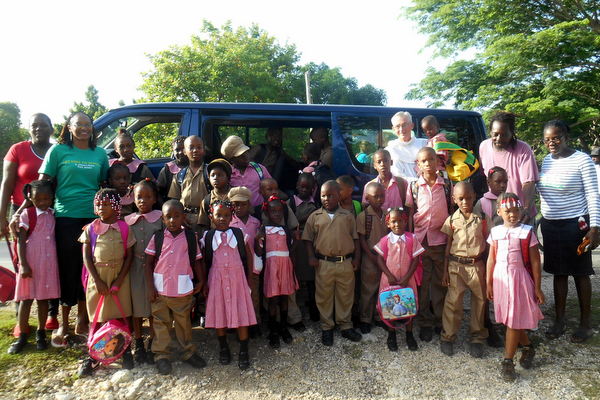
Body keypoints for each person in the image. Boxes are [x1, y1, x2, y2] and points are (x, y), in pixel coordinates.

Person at [21, 112, 109, 347]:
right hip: (65, 218)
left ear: (92, 128)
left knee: (87, 271)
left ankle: (82, 321)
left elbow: (103, 185)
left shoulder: (100, 154)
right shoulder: (58, 151)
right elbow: (41, 184)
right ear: (69, 128)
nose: (83, 128)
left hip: (91, 220)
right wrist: (22, 211)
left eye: (87, 125)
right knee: (67, 270)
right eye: (78, 124)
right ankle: (63, 323)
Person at [538, 120, 600, 343]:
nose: (551, 143)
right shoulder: (546, 161)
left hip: (576, 225)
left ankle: (585, 324)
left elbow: (593, 194)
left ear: (566, 137)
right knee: (558, 272)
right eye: (547, 139)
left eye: (556, 138)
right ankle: (560, 320)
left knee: (581, 273)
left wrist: (595, 228)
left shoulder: (582, 160)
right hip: (551, 225)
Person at [0, 113, 58, 331]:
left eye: (43, 125)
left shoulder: (56, 150)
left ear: (51, 128)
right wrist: (2, 216)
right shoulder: (17, 149)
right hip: (21, 212)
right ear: (29, 128)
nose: (38, 129)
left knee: (52, 261)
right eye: (34, 125)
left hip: (50, 212)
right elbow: (6, 183)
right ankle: (20, 318)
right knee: (21, 263)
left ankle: (52, 314)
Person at [486, 192, 544, 382]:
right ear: (499, 211)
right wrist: (488, 282)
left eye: (516, 210)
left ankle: (507, 361)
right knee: (509, 319)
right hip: (501, 279)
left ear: (521, 210)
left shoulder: (527, 232)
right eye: (508, 211)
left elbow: (535, 262)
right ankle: (528, 347)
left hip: (519, 280)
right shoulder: (495, 232)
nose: (512, 214)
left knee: (512, 321)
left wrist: (537, 287)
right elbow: (491, 258)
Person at [145, 200, 206, 375]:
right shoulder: (157, 238)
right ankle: (161, 356)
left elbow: (197, 261)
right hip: (160, 290)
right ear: (163, 219)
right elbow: (148, 263)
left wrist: (201, 281)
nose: (172, 220)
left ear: (183, 217)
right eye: (168, 217)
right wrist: (150, 287)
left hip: (182, 291)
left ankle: (187, 353)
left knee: (183, 323)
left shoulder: (190, 237)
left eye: (176, 216)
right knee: (161, 323)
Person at [78, 189, 136, 376]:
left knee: (121, 316)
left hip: (120, 278)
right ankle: (94, 356)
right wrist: (98, 281)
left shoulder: (125, 228)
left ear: (116, 206)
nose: (101, 208)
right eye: (99, 204)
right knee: (98, 318)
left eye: (106, 204)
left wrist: (119, 281)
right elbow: (86, 257)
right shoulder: (90, 229)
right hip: (98, 279)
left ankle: (125, 351)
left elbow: (130, 257)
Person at [302, 180, 362, 346]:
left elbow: (355, 239)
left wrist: (357, 258)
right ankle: (327, 327)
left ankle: (345, 325)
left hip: (345, 262)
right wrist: (311, 257)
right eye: (323, 195)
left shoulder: (347, 216)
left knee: (346, 295)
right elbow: (307, 239)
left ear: (338, 196)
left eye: (330, 195)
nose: (326, 198)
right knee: (324, 296)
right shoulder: (315, 217)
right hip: (324, 263)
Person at [202, 199, 256, 370]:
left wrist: (249, 279)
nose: (222, 219)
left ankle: (243, 350)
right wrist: (204, 283)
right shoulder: (208, 237)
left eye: (226, 215)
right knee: (219, 314)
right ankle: (223, 347)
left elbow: (248, 258)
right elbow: (204, 262)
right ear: (211, 216)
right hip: (216, 280)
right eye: (218, 215)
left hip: (237, 279)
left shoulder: (239, 234)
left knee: (241, 314)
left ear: (232, 216)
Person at [405, 147, 452, 342]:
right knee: (423, 284)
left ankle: (440, 321)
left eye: (431, 160)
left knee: (440, 283)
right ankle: (424, 322)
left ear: (437, 162)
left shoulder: (447, 184)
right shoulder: (414, 186)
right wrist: (410, 240)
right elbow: (409, 213)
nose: (427, 164)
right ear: (418, 165)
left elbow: (451, 210)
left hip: (441, 241)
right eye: (423, 161)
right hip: (421, 241)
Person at [8, 180, 60, 354]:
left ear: (52, 198)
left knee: (43, 300)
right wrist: (23, 264)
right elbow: (21, 242)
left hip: (47, 265)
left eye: (47, 199)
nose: (43, 202)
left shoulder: (53, 214)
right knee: (26, 300)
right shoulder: (26, 215)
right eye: (39, 199)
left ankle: (41, 333)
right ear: (31, 197)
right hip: (30, 264)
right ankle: (22, 335)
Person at [440, 182, 488, 358]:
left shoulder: (482, 218)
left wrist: (489, 269)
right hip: (456, 266)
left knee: (480, 301)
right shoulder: (451, 220)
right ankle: (448, 336)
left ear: (474, 196)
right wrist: (445, 271)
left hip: (477, 265)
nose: (465, 202)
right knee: (453, 301)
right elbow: (447, 246)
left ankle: (477, 337)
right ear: (454, 199)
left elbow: (489, 243)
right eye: (461, 198)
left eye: (468, 198)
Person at [124, 179, 163, 364]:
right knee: (136, 307)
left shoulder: (161, 218)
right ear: (133, 198)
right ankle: (138, 342)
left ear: (155, 198)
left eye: (148, 197)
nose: (143, 201)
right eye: (139, 197)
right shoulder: (127, 221)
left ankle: (153, 342)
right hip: (134, 268)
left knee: (152, 306)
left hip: (155, 267)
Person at [374, 207, 423, 351]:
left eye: (400, 221)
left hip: (408, 281)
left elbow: (415, 259)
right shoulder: (385, 240)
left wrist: (407, 277)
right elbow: (379, 259)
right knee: (389, 307)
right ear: (388, 224)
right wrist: (389, 275)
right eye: (393, 221)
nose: (397, 224)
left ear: (405, 221)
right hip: (389, 281)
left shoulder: (411, 238)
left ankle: (409, 334)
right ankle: (391, 334)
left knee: (409, 305)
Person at [478, 112, 538, 223]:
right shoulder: (484, 147)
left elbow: (529, 182)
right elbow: (485, 176)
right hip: (497, 214)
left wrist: (526, 209)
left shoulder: (523, 149)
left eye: (504, 134)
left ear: (512, 133)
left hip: (519, 213)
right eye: (495, 134)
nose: (499, 138)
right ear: (490, 132)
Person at [255, 196, 299, 348]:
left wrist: (296, 242)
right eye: (273, 211)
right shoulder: (263, 230)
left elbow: (290, 249)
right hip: (271, 268)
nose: (277, 214)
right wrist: (257, 240)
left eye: (280, 211)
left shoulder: (286, 230)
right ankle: (273, 331)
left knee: (284, 298)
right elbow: (259, 251)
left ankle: (283, 328)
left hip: (285, 266)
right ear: (267, 213)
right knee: (273, 300)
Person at [229, 186, 263, 336]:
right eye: (236, 204)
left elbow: (259, 246)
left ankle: (254, 323)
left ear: (249, 205)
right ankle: (237, 325)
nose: (239, 207)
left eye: (243, 204)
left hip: (252, 266)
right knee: (236, 297)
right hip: (234, 266)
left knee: (253, 295)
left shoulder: (255, 223)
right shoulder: (228, 222)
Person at [356, 182, 388, 333]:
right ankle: (365, 319)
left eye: (382, 196)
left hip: (384, 258)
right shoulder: (364, 216)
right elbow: (361, 239)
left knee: (382, 288)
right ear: (367, 198)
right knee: (368, 289)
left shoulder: (387, 215)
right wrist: (370, 256)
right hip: (370, 258)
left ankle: (378, 316)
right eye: (376, 197)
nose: (380, 199)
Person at [288, 173, 319, 322]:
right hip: (297, 246)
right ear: (297, 186)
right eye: (302, 186)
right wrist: (307, 217)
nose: (304, 190)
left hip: (311, 246)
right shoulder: (291, 203)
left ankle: (314, 309)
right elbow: (288, 223)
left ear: (313, 188)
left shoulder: (317, 203)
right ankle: (297, 311)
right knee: (297, 277)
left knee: (312, 278)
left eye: (308, 187)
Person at [167, 136, 208, 231]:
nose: (195, 150)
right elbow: (174, 201)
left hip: (206, 219)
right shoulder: (179, 176)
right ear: (185, 151)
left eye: (199, 147)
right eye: (191, 147)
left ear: (204, 150)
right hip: (185, 221)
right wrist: (180, 217)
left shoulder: (210, 172)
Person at [221, 135, 271, 208]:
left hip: (260, 213)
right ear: (232, 159)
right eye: (240, 155)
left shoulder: (259, 169)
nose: (245, 156)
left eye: (246, 152)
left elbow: (271, 188)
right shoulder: (228, 174)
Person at [248, 127, 300, 193]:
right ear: (267, 136)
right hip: (256, 183)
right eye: (273, 135)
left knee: (286, 197)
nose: (276, 138)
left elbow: (295, 164)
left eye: (279, 136)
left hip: (271, 184)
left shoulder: (280, 153)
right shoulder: (260, 148)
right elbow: (248, 161)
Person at [385, 112, 427, 180]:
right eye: (397, 126)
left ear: (412, 125)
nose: (401, 129)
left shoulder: (425, 144)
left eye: (404, 125)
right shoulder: (390, 149)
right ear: (393, 129)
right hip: (400, 187)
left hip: (423, 187)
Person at [197, 158, 232, 231]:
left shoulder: (236, 195)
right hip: (215, 239)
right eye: (213, 175)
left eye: (220, 175)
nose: (216, 178)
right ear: (209, 178)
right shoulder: (207, 201)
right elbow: (204, 225)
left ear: (228, 177)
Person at [156, 136, 188, 202]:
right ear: (172, 150)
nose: (181, 152)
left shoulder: (195, 167)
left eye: (184, 149)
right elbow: (158, 192)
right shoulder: (168, 169)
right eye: (177, 150)